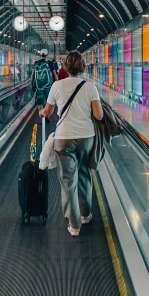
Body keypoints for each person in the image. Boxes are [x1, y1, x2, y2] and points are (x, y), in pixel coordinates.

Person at [40, 51, 103, 237]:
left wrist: (43, 113)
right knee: (84, 174)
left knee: (68, 180)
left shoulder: (57, 85)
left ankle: (74, 225)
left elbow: (49, 111)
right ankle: (85, 215)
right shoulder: (90, 87)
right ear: (83, 66)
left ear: (65, 67)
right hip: (86, 137)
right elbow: (98, 115)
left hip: (64, 137)